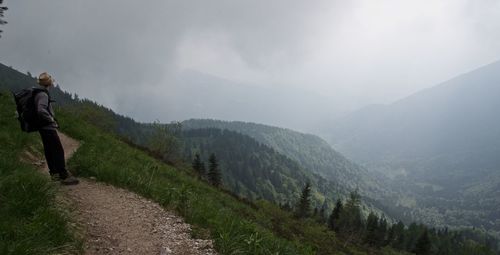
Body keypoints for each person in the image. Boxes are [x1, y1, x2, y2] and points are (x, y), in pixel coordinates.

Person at [35, 72, 79, 185]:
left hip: (42, 127)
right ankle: (64, 175)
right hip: (48, 127)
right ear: (49, 84)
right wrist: (50, 119)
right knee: (58, 150)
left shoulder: (37, 93)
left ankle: (54, 174)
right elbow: (41, 109)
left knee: (49, 150)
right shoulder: (43, 95)